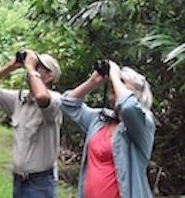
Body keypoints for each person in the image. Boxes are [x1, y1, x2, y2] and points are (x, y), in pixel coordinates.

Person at [60, 60, 155, 198]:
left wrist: (115, 75)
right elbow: (67, 104)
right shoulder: (99, 120)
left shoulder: (142, 124)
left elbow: (128, 106)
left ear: (138, 94)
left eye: (123, 83)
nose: (115, 87)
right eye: (113, 85)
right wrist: (93, 81)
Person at [0, 49, 62, 198]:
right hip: (19, 181)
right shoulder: (20, 99)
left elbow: (41, 97)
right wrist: (10, 66)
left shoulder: (55, 100)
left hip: (40, 184)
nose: (33, 68)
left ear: (50, 76)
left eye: (38, 66)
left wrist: (29, 67)